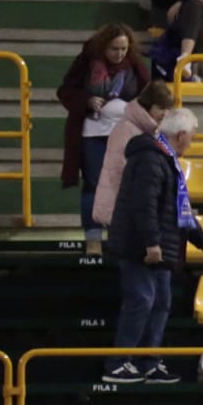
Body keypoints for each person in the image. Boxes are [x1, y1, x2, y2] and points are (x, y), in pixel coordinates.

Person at [103, 107, 203, 384]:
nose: (192, 141)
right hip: (141, 248)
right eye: (191, 136)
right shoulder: (150, 160)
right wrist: (152, 243)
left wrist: (202, 239)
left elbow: (179, 208)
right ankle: (118, 363)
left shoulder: (167, 160)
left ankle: (147, 362)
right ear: (180, 136)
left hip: (162, 248)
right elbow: (144, 206)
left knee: (161, 303)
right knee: (141, 300)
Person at [57, 23, 149, 254]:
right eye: (114, 49)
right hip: (93, 134)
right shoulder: (86, 62)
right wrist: (87, 100)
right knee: (94, 185)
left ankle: (120, 236)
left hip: (125, 135)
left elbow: (147, 93)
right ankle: (93, 238)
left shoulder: (135, 64)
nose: (119, 54)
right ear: (102, 47)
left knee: (125, 186)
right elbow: (65, 91)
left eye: (124, 49)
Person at [90, 79, 177, 236]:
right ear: (147, 106)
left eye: (167, 109)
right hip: (123, 211)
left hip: (132, 211)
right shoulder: (127, 129)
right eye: (160, 108)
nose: (164, 114)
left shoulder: (148, 130)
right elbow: (119, 172)